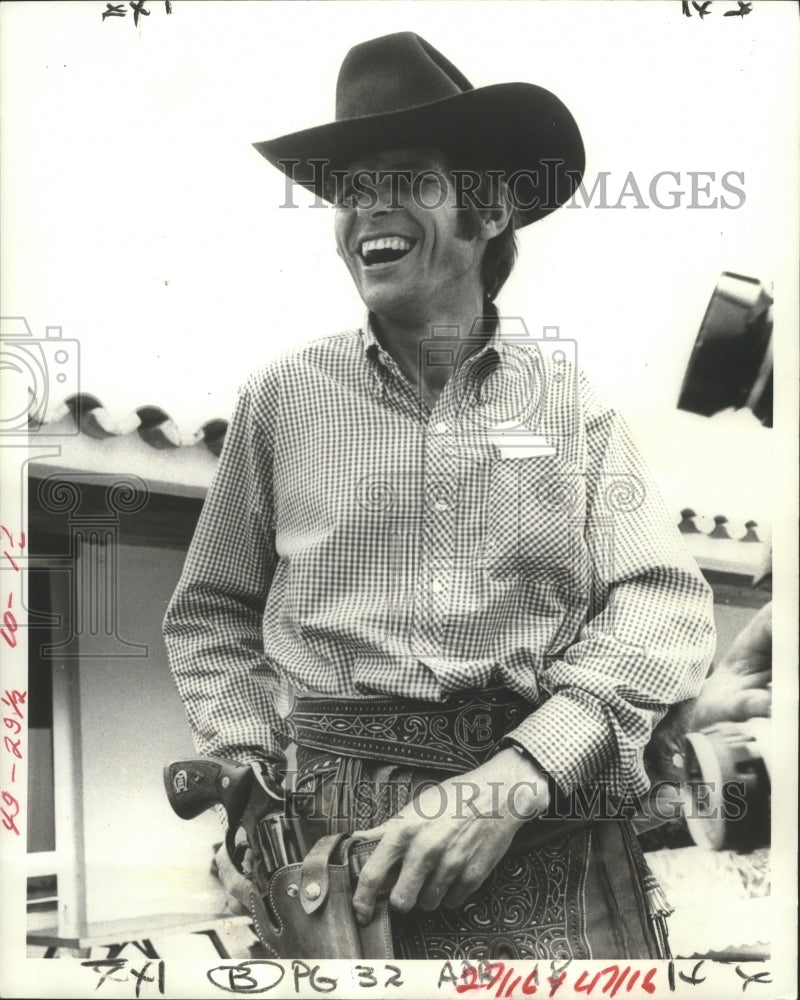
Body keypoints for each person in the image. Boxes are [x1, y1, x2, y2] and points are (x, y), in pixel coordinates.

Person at [164, 31, 716, 960]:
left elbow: (663, 605)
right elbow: (211, 614)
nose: (363, 209)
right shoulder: (282, 400)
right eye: (348, 189)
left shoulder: (568, 406)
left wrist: (511, 781)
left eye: (404, 177)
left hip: (543, 829)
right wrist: (254, 777)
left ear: (489, 206)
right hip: (334, 855)